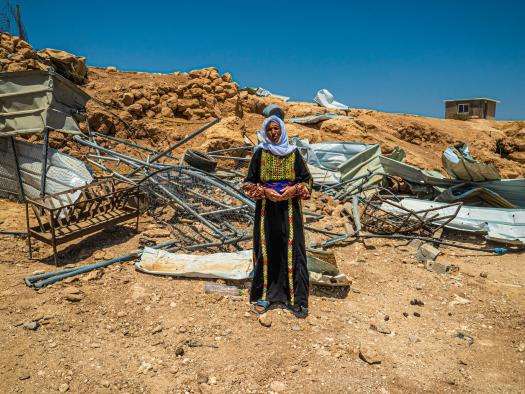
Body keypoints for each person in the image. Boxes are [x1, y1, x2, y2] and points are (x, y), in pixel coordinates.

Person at [243, 115, 312, 318]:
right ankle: (264, 296)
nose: (274, 133)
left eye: (277, 129)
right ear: (266, 132)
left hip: (290, 210)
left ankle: (295, 300)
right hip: (266, 210)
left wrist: (295, 189)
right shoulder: (260, 154)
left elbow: (308, 181)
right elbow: (248, 183)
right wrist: (264, 192)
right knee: (266, 249)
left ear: (282, 130)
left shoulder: (294, 154)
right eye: (270, 130)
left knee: (293, 250)